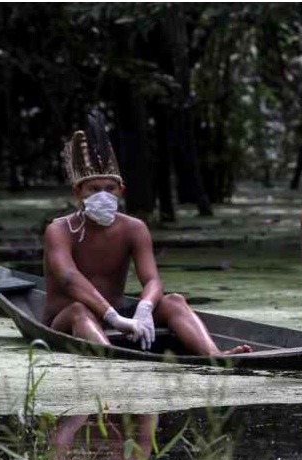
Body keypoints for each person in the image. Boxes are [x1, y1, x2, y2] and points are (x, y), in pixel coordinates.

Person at [43, 109, 250, 355]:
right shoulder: (59, 230)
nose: (103, 195)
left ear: (121, 190)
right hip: (66, 318)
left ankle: (215, 356)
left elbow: (152, 280)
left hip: (119, 315)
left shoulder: (134, 228)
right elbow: (69, 279)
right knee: (80, 309)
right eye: (93, 189)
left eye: (109, 188)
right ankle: (115, 361)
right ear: (78, 192)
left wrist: (145, 307)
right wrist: (114, 318)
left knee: (173, 301)